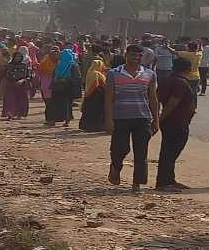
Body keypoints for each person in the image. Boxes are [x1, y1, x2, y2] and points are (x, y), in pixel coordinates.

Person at [105, 44, 160, 193]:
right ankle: (115, 167)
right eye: (133, 55)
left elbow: (153, 98)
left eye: (139, 56)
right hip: (120, 117)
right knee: (119, 148)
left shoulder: (149, 74)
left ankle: (137, 183)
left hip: (142, 118)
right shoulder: (113, 74)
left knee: (141, 151)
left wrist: (156, 119)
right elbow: (109, 98)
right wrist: (109, 120)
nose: (136, 58)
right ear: (126, 55)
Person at [156, 57, 196, 192]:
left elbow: (157, 99)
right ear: (188, 69)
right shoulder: (181, 83)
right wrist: (160, 118)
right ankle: (163, 183)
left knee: (169, 151)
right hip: (176, 121)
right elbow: (173, 102)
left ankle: (169, 180)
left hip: (171, 121)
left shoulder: (165, 80)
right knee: (170, 152)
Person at [46, 47, 80, 127]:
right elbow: (77, 77)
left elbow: (76, 77)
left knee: (64, 104)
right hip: (60, 86)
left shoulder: (70, 65)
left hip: (66, 87)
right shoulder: (71, 64)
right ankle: (56, 120)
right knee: (57, 104)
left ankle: (65, 121)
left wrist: (64, 80)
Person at [78, 44, 108, 132]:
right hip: (96, 94)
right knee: (96, 112)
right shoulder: (97, 73)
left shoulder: (89, 71)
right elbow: (97, 84)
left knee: (89, 112)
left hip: (89, 93)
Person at [1, 50, 31, 119]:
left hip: (21, 85)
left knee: (21, 100)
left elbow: (28, 76)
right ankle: (10, 114)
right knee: (10, 100)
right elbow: (5, 74)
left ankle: (20, 114)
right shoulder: (9, 65)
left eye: (19, 57)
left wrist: (22, 80)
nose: (18, 58)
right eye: (16, 56)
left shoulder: (24, 66)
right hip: (10, 84)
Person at [177, 42, 202, 108]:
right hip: (196, 77)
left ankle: (185, 106)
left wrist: (167, 46)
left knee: (184, 93)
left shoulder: (187, 54)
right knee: (194, 93)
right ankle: (194, 107)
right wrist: (200, 44)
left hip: (187, 77)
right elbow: (201, 50)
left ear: (189, 47)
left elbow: (174, 52)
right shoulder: (199, 54)